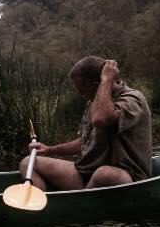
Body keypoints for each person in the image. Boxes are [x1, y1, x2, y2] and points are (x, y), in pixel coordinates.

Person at [20, 57, 152, 190]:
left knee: (105, 174)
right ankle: (44, 208)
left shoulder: (133, 99)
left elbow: (101, 120)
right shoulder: (93, 102)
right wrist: (49, 150)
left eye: (82, 89)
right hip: (87, 172)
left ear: (97, 84)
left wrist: (106, 79)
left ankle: (78, 204)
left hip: (127, 176)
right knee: (28, 163)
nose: (80, 94)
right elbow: (85, 141)